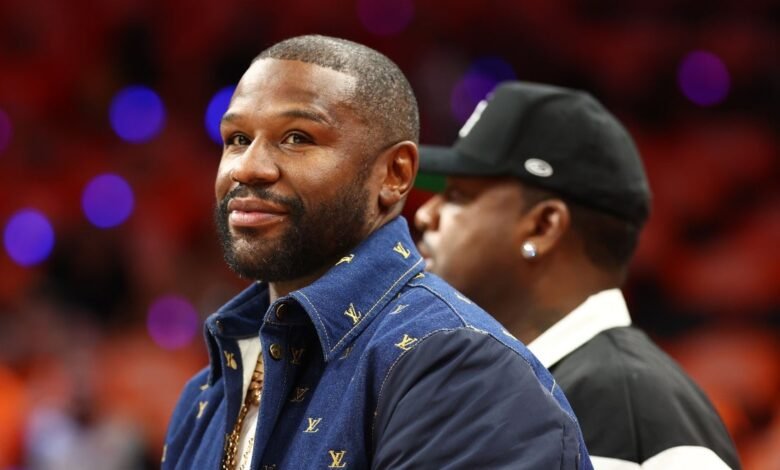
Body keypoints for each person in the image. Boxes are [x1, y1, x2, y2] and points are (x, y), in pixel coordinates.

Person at [163, 36, 593, 469]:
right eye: (237, 138)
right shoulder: (203, 397)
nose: (246, 167)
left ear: (394, 174)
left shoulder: (461, 369)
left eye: (296, 138)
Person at [415, 81, 741, 469]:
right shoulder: (499, 385)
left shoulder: (626, 406)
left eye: (457, 196)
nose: (425, 214)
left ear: (543, 226)